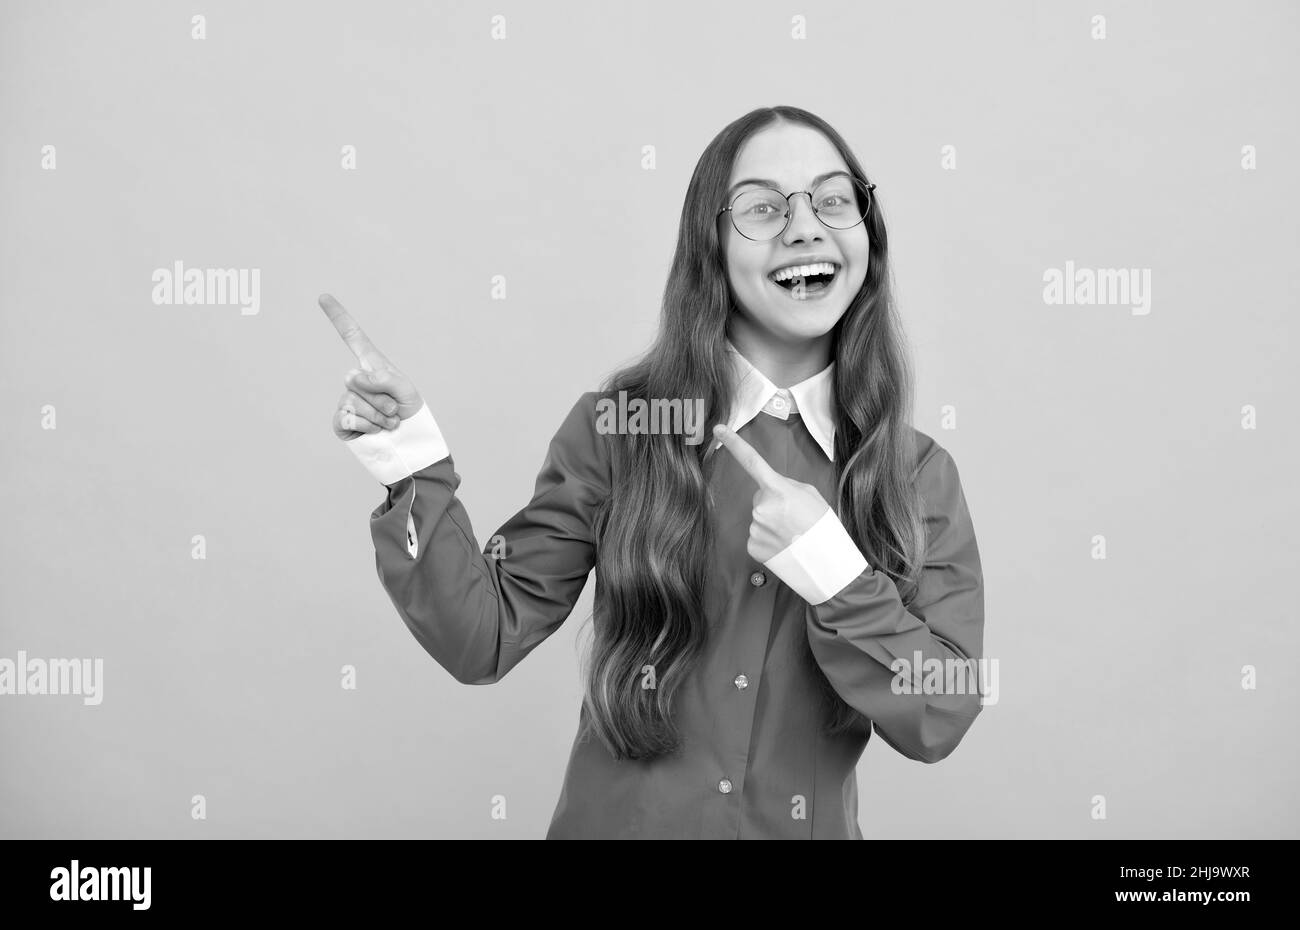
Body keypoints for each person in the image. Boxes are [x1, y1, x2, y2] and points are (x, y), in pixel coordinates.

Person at [320, 105, 985, 839]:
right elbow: (484, 636)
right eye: (764, 207)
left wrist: (833, 573)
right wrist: (411, 462)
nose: (805, 227)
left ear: (868, 236)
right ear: (711, 246)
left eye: (833, 200)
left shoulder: (915, 473)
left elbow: (942, 712)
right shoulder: (623, 429)